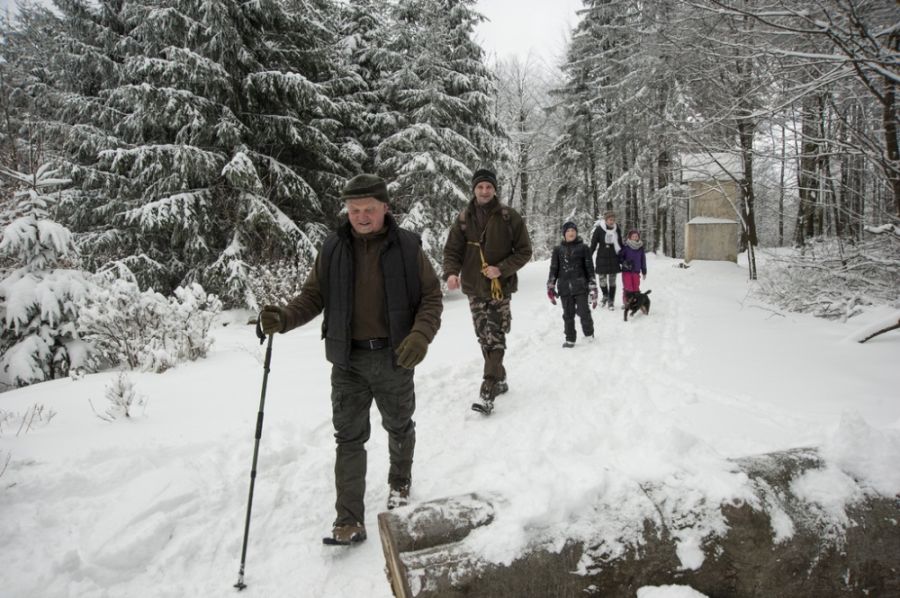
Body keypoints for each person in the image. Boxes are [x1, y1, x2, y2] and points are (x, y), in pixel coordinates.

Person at [258, 174, 443, 546]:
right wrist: (285, 318)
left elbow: (431, 298)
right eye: (354, 209)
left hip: (395, 358)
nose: (360, 216)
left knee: (399, 426)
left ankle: (400, 482)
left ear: (384, 208)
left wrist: (420, 336)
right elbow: (313, 297)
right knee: (348, 439)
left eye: (368, 209)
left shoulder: (407, 248)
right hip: (347, 361)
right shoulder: (332, 248)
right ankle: (348, 519)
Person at [442, 168, 533, 414]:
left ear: (494, 190)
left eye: (489, 187)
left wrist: (501, 269)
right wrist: (451, 272)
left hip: (499, 289)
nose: (484, 191)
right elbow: (452, 251)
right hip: (473, 287)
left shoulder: (508, 217)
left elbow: (525, 251)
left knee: (496, 336)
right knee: (484, 336)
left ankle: (488, 389)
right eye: (480, 187)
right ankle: (500, 379)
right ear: (474, 189)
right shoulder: (463, 218)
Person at [547, 221, 597, 348]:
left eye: (573, 231)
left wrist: (592, 286)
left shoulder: (584, 248)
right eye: (568, 231)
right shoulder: (558, 250)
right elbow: (554, 269)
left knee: (583, 311)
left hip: (580, 285)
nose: (571, 233)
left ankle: (589, 334)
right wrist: (551, 286)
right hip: (564, 288)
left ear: (576, 233)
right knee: (568, 314)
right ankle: (570, 338)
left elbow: (589, 268)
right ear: (564, 234)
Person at [589, 210, 624, 310]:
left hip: (614, 258)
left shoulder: (617, 229)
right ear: (605, 220)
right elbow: (593, 244)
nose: (611, 221)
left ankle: (611, 301)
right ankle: (605, 296)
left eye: (613, 219)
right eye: (609, 219)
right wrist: (588, 256)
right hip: (602, 258)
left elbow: (620, 243)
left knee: (612, 282)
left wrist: (624, 257)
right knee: (602, 281)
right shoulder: (599, 229)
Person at [619, 228, 648, 303]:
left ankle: (635, 302)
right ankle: (626, 302)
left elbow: (643, 260)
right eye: (633, 236)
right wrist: (624, 263)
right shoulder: (626, 247)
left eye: (636, 236)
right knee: (628, 288)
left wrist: (644, 271)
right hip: (626, 271)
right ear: (630, 237)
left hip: (636, 271)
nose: (635, 237)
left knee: (636, 288)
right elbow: (620, 257)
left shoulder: (640, 248)